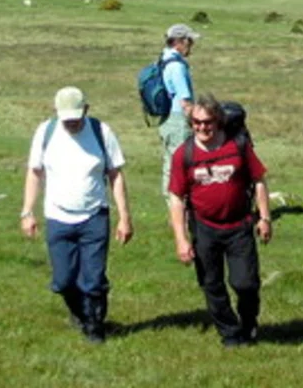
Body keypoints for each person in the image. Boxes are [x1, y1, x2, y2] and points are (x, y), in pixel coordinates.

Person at [20, 86, 133, 344]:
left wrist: (124, 217)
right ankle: (80, 314)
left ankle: (95, 326)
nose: (71, 123)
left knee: (92, 279)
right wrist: (27, 212)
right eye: (66, 119)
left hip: (94, 217)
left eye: (76, 118)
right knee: (63, 281)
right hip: (58, 217)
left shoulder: (101, 132)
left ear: (86, 110)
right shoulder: (45, 133)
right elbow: (34, 173)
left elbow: (115, 175)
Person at [168, 95, 273, 348]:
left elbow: (258, 180)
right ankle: (230, 333)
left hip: (239, 226)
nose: (202, 128)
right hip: (204, 228)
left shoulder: (237, 146)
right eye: (196, 122)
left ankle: (249, 323)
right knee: (211, 285)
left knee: (245, 284)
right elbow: (176, 197)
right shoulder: (185, 154)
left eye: (208, 122)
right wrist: (181, 240)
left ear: (219, 121)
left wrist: (265, 217)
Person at [158, 23, 199, 201]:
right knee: (181, 163)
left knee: (170, 163)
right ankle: (178, 206)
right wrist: (197, 122)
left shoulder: (163, 59)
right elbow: (185, 101)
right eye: (189, 41)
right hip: (178, 121)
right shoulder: (177, 66)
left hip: (166, 119)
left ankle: (173, 203)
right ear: (179, 42)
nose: (191, 45)